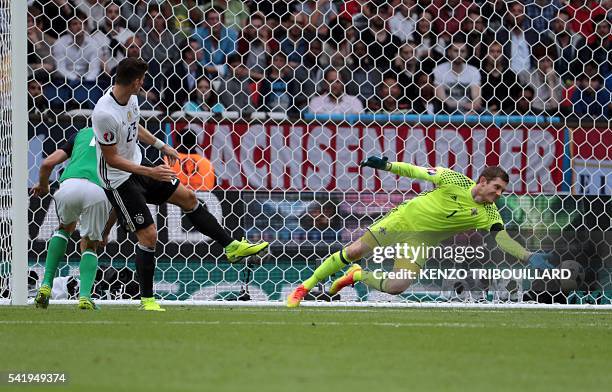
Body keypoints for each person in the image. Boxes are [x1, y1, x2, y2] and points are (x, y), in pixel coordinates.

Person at [92, 58, 268, 311]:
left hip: (139, 166)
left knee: (189, 198)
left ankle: (231, 247)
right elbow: (111, 159)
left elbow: (134, 126)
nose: (143, 83)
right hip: (119, 180)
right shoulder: (103, 114)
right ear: (135, 81)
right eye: (141, 79)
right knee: (149, 235)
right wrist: (151, 172)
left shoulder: (131, 99)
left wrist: (162, 146)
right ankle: (147, 300)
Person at [287, 157, 554, 307]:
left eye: (502, 192)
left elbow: (502, 239)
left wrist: (528, 256)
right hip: (402, 220)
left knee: (396, 286)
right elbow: (418, 171)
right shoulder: (455, 180)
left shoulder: (489, 214)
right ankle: (304, 288)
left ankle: (357, 275)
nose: (498, 194)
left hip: (421, 241)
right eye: (496, 188)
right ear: (482, 181)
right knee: (356, 250)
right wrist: (388, 166)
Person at [31, 127, 116, 310]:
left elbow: (47, 164)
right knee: (90, 244)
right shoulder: (122, 136)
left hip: (69, 184)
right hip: (98, 188)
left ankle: (46, 284)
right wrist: (106, 231)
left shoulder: (81, 134)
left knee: (64, 228)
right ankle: (84, 296)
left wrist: (44, 186)